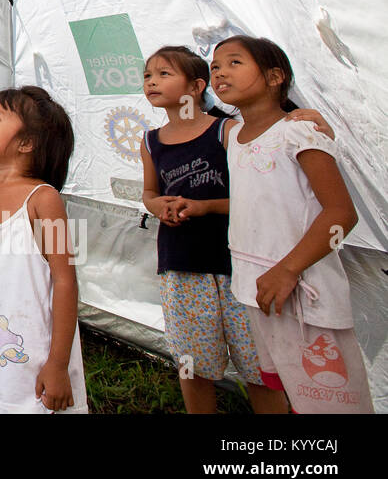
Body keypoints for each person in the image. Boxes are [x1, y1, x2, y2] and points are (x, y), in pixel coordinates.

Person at [141, 44, 333, 414]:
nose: (152, 82)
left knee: (260, 368)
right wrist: (156, 205)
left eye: (164, 74)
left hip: (240, 266)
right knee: (193, 365)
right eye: (148, 75)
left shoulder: (229, 131)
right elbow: (150, 192)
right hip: (181, 265)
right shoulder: (150, 141)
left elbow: (257, 194)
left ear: (197, 86)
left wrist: (205, 207)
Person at [211, 36, 372, 413]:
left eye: (234, 62)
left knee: (332, 400)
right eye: (215, 66)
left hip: (302, 293)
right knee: (289, 393)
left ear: (274, 77)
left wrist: (287, 270)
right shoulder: (233, 135)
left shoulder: (298, 132)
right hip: (256, 292)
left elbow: (341, 215)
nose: (220, 72)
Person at [0, 87, 87, 413]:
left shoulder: (44, 200)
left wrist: (57, 365)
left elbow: (65, 282)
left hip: (37, 367)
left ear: (27, 143)